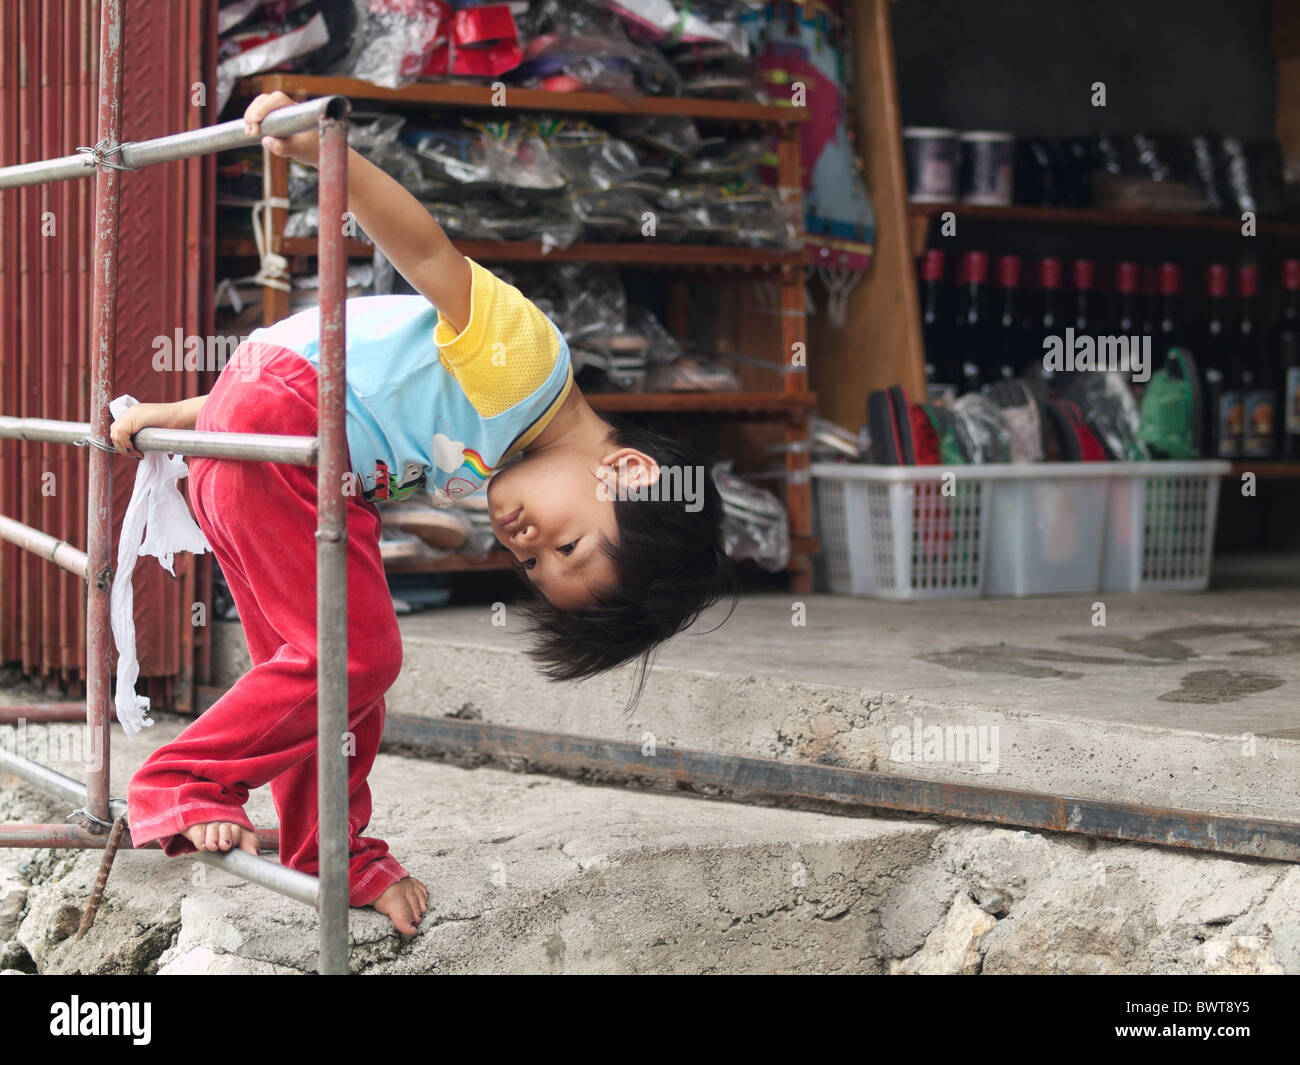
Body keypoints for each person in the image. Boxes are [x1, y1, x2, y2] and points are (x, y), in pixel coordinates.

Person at [112, 92, 735, 937]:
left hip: (269, 446)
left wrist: (162, 418)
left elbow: (287, 372)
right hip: (282, 436)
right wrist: (327, 157)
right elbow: (427, 251)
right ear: (627, 472)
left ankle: (328, 849)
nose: (526, 546)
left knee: (321, 675)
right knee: (357, 655)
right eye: (565, 543)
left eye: (534, 568)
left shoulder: (503, 442)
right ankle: (181, 781)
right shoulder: (525, 368)